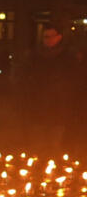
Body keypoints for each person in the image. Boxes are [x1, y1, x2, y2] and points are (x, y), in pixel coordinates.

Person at [19, 23, 80, 157]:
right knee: (37, 144)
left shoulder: (69, 56)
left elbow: (75, 81)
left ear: (59, 37)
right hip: (38, 107)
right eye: (46, 36)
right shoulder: (34, 55)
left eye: (51, 36)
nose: (48, 39)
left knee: (55, 144)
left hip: (60, 107)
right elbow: (25, 79)